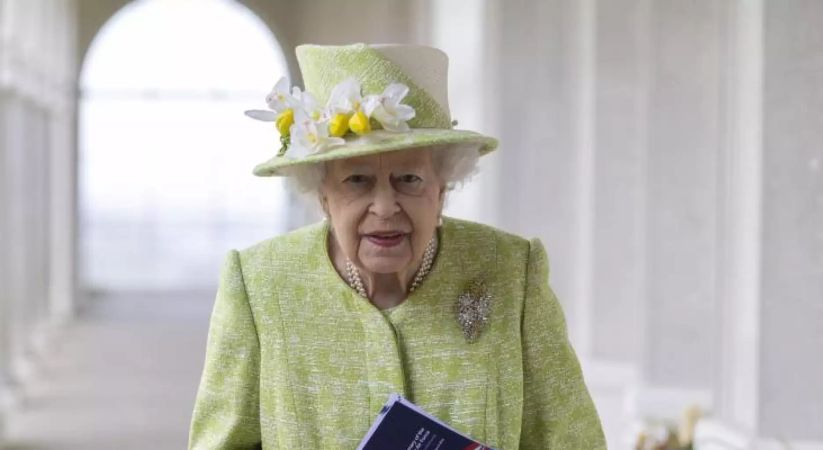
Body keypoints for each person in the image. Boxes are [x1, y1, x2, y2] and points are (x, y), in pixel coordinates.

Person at [188, 43, 606, 449]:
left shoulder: (512, 271)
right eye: (357, 180)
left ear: (442, 189)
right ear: (323, 195)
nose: (385, 207)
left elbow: (572, 440)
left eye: (409, 179)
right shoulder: (261, 283)